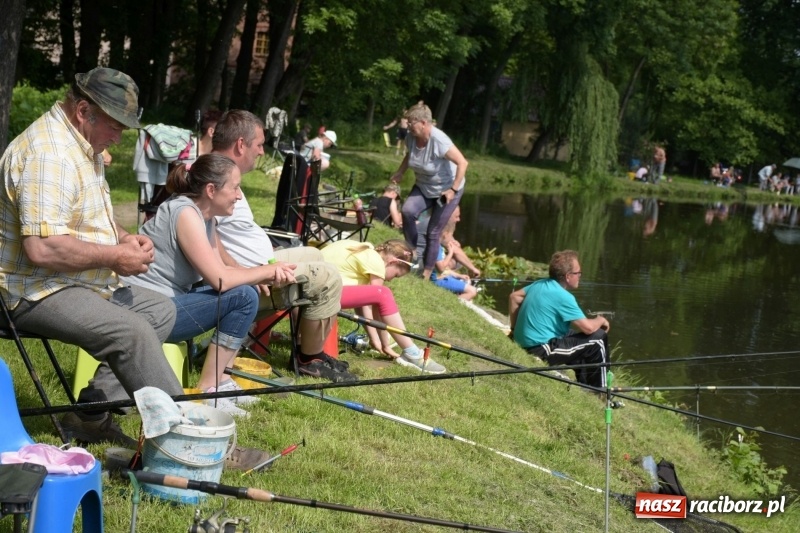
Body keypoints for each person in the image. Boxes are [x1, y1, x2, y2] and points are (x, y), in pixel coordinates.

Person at [0, 67, 184, 447]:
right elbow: (43, 248)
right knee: (130, 331)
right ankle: (185, 439)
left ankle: (88, 415)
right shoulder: (48, 155)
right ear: (84, 111)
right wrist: (115, 258)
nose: (119, 135)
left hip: (64, 279)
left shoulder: (81, 144)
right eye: (116, 125)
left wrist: (124, 237)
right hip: (30, 289)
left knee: (159, 311)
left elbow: (87, 212)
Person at [211, 110, 352, 383]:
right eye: (259, 144)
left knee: (315, 254)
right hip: (247, 280)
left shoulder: (222, 172)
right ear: (241, 144)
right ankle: (308, 359)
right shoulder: (214, 177)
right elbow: (205, 234)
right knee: (328, 277)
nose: (262, 152)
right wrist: (245, 271)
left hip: (260, 265)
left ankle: (310, 348)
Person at [321, 239, 447, 374]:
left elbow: (362, 304)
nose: (391, 280)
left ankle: (406, 349)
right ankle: (413, 354)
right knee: (383, 293)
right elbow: (375, 302)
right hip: (323, 293)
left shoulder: (365, 249)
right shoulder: (376, 262)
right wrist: (382, 343)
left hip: (318, 287)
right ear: (393, 261)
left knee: (379, 294)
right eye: (396, 275)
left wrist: (377, 340)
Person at [508, 250, 609, 389]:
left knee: (579, 339)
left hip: (526, 341)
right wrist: (601, 320)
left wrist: (514, 330)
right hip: (540, 349)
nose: (580, 276)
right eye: (578, 273)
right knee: (598, 337)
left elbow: (514, 297)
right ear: (568, 276)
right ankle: (600, 391)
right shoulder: (564, 296)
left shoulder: (540, 284)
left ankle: (586, 386)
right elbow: (588, 328)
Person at [390, 103, 468, 281]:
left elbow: (463, 163)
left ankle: (426, 273)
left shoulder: (440, 140)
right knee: (408, 211)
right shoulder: (411, 137)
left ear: (424, 123)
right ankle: (413, 250)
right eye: (407, 122)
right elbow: (410, 155)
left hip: (446, 190)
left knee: (434, 231)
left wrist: (453, 189)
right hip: (424, 186)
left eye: (411, 123)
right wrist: (401, 172)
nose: (408, 126)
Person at [431, 219, 479, 301]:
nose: (452, 239)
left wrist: (459, 275)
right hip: (438, 280)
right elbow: (441, 268)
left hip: (442, 277)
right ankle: (454, 304)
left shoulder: (439, 247)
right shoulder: (437, 248)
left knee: (466, 281)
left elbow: (445, 270)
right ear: (445, 234)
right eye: (451, 236)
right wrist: (450, 253)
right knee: (472, 291)